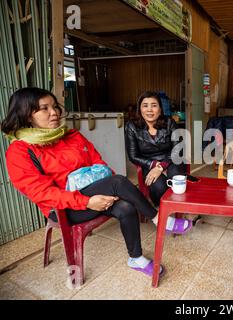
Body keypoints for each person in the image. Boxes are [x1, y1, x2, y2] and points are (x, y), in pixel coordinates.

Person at [1, 87, 189, 278]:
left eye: (55, 106)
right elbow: (42, 193)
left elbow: (98, 163)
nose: (54, 113)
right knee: (118, 182)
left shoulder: (72, 135)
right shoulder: (20, 151)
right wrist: (87, 202)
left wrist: (108, 189)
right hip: (64, 209)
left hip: (94, 192)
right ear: (26, 115)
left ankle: (136, 258)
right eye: (44, 109)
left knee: (125, 206)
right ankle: (159, 219)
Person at [125, 91, 192, 232]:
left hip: (172, 160)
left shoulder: (169, 122)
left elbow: (177, 149)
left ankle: (179, 209)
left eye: (154, 105)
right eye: (145, 106)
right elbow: (133, 155)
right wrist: (154, 165)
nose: (149, 109)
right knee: (159, 185)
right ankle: (165, 214)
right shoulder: (132, 126)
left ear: (160, 109)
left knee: (176, 180)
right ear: (140, 109)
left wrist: (162, 166)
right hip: (148, 163)